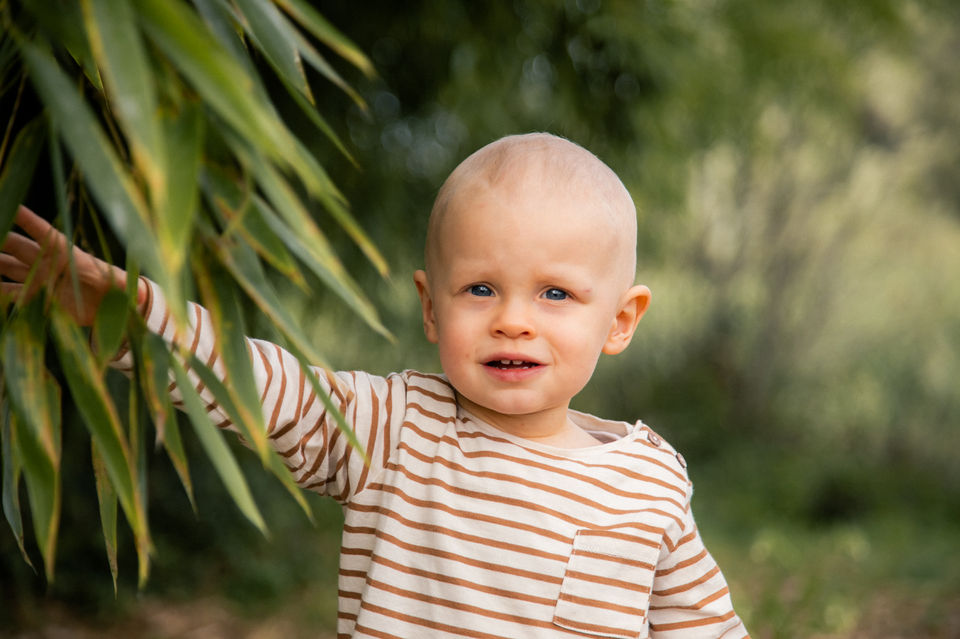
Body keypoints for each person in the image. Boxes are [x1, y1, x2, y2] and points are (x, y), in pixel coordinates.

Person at [2, 133, 748, 638]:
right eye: (481, 288)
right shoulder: (396, 426)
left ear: (620, 320)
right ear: (431, 306)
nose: (514, 321)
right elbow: (264, 385)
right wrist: (135, 321)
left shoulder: (648, 480)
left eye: (555, 294)